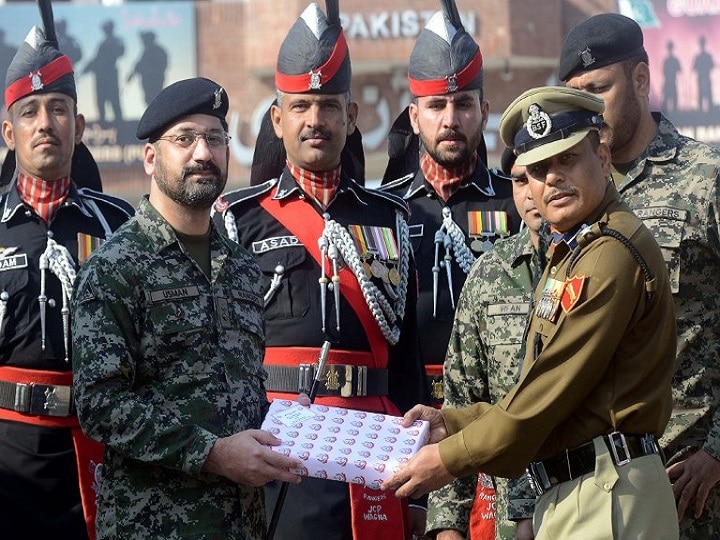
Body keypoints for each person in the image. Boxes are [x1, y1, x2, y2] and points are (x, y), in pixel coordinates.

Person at [382, 86, 679, 540]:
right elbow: (535, 397)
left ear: (601, 156)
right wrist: (452, 421)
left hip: (609, 493)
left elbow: (543, 399)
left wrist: (445, 460)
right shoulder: (574, 250)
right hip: (581, 489)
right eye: (538, 170)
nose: (552, 181)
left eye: (568, 160)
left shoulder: (609, 255)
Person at [212, 2, 427, 539]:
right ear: (277, 119)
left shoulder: (389, 218)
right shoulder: (240, 221)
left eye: (329, 106)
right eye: (301, 106)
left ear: (352, 117)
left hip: (377, 453)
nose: (315, 121)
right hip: (280, 454)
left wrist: (424, 479)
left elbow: (406, 359)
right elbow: (224, 359)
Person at [71, 77, 304, 539]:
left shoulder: (240, 265)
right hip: (156, 525)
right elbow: (100, 403)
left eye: (215, 138)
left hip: (245, 524)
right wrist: (212, 453)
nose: (203, 153)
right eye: (185, 139)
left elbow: (243, 389)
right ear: (151, 157)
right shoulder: (116, 267)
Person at [559, 13, 720, 538]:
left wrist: (718, 450)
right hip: (593, 491)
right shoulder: (566, 197)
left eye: (599, 89)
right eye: (575, 96)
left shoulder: (706, 178)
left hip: (691, 483)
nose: (588, 109)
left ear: (642, 80)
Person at [0, 10, 133, 539]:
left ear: (79, 127)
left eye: (58, 109)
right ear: (10, 132)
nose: (44, 123)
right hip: (8, 454)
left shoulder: (120, 224)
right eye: (29, 112)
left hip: (101, 452)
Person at [381, 0, 521, 408]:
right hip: (408, 414)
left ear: (484, 112)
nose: (450, 120)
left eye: (463, 104)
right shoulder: (387, 210)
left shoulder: (517, 202)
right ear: (413, 116)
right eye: (436, 106)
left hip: (496, 414)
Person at [426, 147, 540, 540]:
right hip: (503, 511)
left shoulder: (604, 261)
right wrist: (447, 525)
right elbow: (459, 400)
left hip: (588, 501)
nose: (531, 193)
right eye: (520, 180)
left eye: (541, 174)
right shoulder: (490, 272)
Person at [82, 20, 124, 123]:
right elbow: (96, 59)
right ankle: (103, 122)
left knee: (113, 98)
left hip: (109, 73)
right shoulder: (104, 43)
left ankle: (119, 122)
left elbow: (120, 52)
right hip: (101, 74)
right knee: (101, 99)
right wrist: (86, 69)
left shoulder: (116, 41)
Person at [126, 30, 168, 106]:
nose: (143, 42)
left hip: (154, 80)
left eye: (145, 39)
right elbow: (139, 65)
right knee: (148, 99)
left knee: (154, 99)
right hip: (147, 79)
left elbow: (162, 65)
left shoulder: (158, 51)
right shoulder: (146, 51)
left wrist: (148, 71)